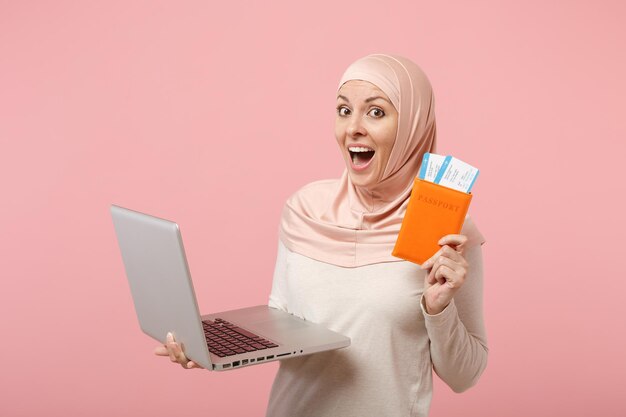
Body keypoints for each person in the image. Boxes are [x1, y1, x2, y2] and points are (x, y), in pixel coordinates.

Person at [155, 53, 488, 417]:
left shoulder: (447, 232)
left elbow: (465, 376)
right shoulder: (305, 208)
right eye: (344, 111)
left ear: (413, 125)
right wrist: (211, 344)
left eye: (376, 112)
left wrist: (439, 310)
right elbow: (281, 314)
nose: (354, 128)